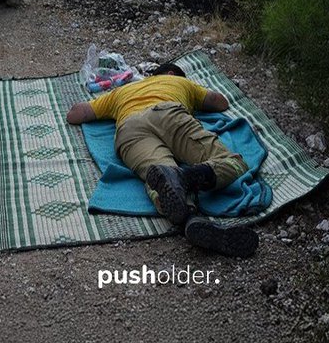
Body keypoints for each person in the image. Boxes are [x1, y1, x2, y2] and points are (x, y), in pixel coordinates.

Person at [67, 62, 259, 258]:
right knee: (232, 161)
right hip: (168, 113)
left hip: (129, 129)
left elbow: (75, 114)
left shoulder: (122, 92)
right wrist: (191, 94)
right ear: (171, 73)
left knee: (158, 175)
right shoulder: (176, 81)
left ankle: (191, 219)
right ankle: (186, 176)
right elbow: (220, 102)